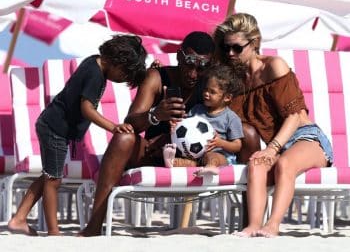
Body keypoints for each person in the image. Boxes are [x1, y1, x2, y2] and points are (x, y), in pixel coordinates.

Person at [7, 35, 147, 236]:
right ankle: (53, 233)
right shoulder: (96, 75)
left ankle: (19, 218)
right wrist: (113, 126)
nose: (123, 80)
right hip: (54, 129)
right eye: (125, 74)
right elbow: (86, 108)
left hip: (52, 126)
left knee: (49, 175)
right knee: (53, 179)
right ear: (117, 62)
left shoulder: (94, 61)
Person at [79, 31, 215, 236]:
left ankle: (251, 225)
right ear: (179, 56)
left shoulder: (210, 85)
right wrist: (156, 115)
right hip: (154, 153)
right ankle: (94, 226)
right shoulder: (157, 78)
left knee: (247, 134)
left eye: (201, 67)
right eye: (189, 64)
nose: (193, 74)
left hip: (194, 159)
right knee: (124, 137)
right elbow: (131, 121)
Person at [213, 13, 334, 237]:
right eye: (226, 47)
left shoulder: (274, 66)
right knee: (257, 165)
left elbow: (295, 116)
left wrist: (272, 148)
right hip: (276, 144)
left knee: (284, 164)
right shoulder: (233, 80)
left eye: (237, 48)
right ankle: (253, 225)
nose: (230, 53)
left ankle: (273, 225)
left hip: (304, 136)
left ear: (255, 43)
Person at [163, 63, 245, 176]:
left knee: (211, 157)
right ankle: (172, 162)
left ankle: (211, 166)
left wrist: (220, 143)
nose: (206, 94)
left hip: (220, 156)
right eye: (206, 89)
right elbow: (184, 126)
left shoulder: (231, 118)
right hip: (194, 156)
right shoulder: (197, 110)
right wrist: (175, 127)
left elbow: (237, 145)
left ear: (227, 97)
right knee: (188, 163)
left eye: (212, 92)